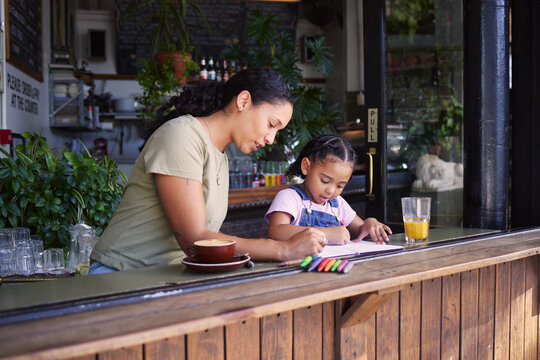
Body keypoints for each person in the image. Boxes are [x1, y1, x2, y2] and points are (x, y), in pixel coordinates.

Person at [89, 67, 327, 274]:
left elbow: (205, 240)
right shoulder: (182, 135)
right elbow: (194, 239)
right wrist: (283, 249)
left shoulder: (220, 156)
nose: (271, 139)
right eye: (271, 124)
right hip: (119, 274)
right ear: (243, 101)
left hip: (166, 276)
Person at [265, 134, 392, 245]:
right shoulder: (290, 197)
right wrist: (325, 234)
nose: (331, 191)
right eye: (325, 181)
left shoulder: (337, 204)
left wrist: (370, 223)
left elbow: (361, 229)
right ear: (306, 166)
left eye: (340, 186)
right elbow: (276, 231)